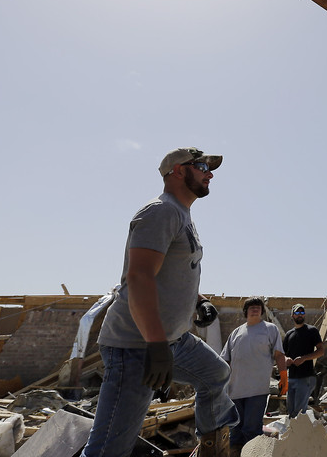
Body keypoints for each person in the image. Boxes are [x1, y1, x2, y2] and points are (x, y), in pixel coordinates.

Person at [82, 147, 237, 457]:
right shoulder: (160, 212)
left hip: (173, 341)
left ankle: (210, 447)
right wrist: (155, 345)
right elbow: (139, 277)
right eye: (203, 166)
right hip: (136, 347)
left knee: (215, 373)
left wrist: (199, 301)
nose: (210, 173)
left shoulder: (182, 215)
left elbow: (171, 274)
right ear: (178, 171)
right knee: (109, 449)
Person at [220, 297, 286, 451]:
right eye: (251, 307)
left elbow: (279, 355)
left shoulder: (270, 329)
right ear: (245, 312)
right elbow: (225, 361)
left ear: (262, 311)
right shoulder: (236, 332)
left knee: (251, 430)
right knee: (235, 432)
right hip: (235, 391)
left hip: (257, 390)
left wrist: (284, 377)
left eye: (258, 306)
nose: (255, 309)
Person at [282, 303, 324, 418]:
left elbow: (321, 351)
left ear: (304, 315)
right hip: (291, 378)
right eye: (297, 313)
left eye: (302, 312)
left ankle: (301, 434)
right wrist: (286, 360)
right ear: (292, 315)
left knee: (300, 412)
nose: (299, 315)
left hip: (305, 377)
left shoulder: (312, 331)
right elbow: (282, 355)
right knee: (291, 411)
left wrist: (304, 358)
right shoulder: (289, 334)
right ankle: (295, 434)